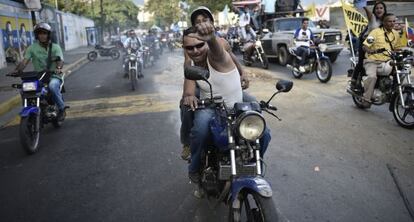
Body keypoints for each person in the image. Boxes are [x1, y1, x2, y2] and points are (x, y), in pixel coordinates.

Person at [182, 23, 270, 183]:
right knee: (200, 130)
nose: (195, 51)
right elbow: (189, 88)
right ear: (185, 49)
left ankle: (256, 165)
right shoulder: (191, 65)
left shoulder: (216, 57)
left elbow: (218, 52)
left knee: (265, 133)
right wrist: (189, 96)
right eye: (190, 48)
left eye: (199, 45)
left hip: (237, 109)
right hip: (210, 107)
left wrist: (211, 39)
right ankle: (194, 168)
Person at [180, 6, 253, 161]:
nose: (202, 24)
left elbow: (230, 57)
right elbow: (189, 67)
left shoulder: (220, 42)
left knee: (255, 106)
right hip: (203, 87)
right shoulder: (191, 46)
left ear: (211, 22)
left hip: (227, 89)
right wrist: (189, 94)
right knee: (186, 106)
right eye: (197, 22)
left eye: (204, 20)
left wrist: (243, 73)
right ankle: (188, 143)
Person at [14, 22, 66, 120]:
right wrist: (17, 70)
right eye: (40, 33)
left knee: (52, 86)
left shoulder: (55, 47)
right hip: (39, 76)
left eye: (44, 33)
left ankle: (61, 108)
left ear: (48, 35)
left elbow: (60, 61)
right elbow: (24, 62)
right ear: (37, 35)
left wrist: (58, 69)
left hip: (54, 75)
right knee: (24, 89)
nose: (42, 35)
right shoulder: (32, 48)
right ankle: (31, 107)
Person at [360, 13, 403, 108]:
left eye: (394, 21)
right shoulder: (375, 32)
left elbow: (398, 48)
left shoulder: (395, 34)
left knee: (402, 70)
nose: (392, 23)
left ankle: (395, 93)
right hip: (372, 61)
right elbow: (365, 46)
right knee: (372, 77)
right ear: (384, 22)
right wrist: (370, 50)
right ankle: (366, 99)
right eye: (389, 21)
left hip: (387, 60)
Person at [349, 1, 387, 92]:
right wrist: (363, 5)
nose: (379, 10)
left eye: (381, 8)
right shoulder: (372, 18)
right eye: (377, 8)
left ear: (384, 10)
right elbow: (368, 12)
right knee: (362, 62)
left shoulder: (386, 20)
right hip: (365, 42)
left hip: (378, 44)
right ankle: (353, 81)